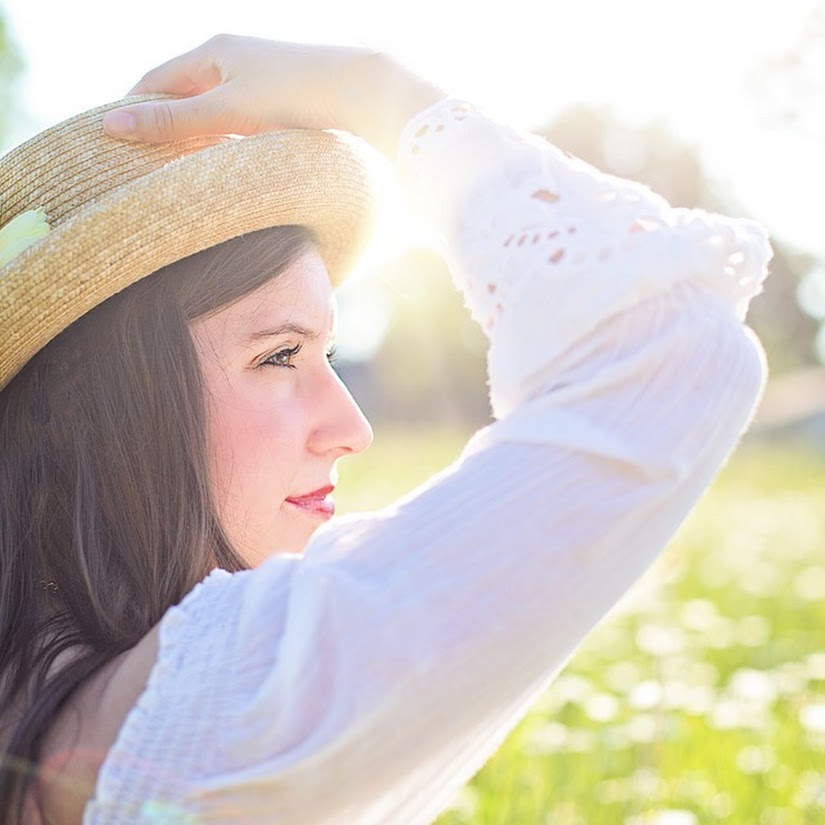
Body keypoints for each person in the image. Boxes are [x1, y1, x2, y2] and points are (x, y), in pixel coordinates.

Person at [0, 35, 769, 825]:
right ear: (90, 408)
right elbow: (680, 353)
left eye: (326, 354)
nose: (352, 428)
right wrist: (374, 91)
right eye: (278, 355)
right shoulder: (224, 712)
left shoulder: (41, 692)